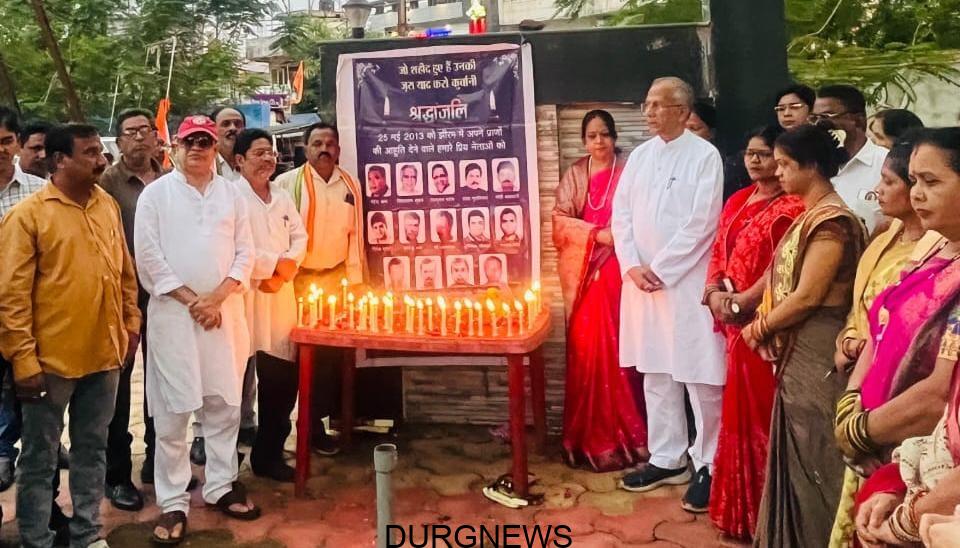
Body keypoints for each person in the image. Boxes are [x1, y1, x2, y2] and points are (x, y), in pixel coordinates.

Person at [0, 123, 141, 548]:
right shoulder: (28, 216)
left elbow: (124, 272)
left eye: (100, 151)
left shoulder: (105, 205)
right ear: (59, 160)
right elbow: (11, 296)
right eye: (90, 153)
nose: (101, 159)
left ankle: (88, 534)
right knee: (40, 457)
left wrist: (130, 324)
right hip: (49, 362)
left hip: (105, 353)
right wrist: (23, 361)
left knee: (92, 449)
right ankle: (37, 539)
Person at [134, 115, 259, 544]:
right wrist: (195, 301)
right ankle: (173, 501)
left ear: (215, 148)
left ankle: (221, 485)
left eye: (205, 142)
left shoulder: (232, 195)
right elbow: (149, 259)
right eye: (190, 142)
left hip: (224, 316)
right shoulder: (155, 196)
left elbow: (246, 252)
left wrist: (217, 298)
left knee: (224, 405)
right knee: (172, 414)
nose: (198, 149)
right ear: (175, 148)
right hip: (174, 318)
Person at [742, 124, 867, 547]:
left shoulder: (832, 221)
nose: (777, 172)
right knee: (799, 448)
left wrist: (759, 327)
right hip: (801, 346)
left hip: (818, 346)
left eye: (784, 164)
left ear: (811, 166)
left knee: (816, 451)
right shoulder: (811, 214)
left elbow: (809, 295)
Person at [613, 77, 725, 514]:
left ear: (682, 110)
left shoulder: (704, 156)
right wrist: (631, 265)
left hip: (686, 283)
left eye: (658, 105)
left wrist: (661, 269)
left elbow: (702, 223)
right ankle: (667, 457)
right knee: (656, 372)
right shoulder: (640, 157)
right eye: (647, 104)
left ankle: (710, 463)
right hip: (642, 285)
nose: (649, 112)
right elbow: (621, 215)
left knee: (700, 374)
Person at [830, 135, 949, 546]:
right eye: (914, 181)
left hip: (923, 456)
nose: (917, 194)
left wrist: (860, 431)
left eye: (931, 182)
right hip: (881, 441)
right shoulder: (933, 250)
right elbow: (879, 325)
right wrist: (851, 402)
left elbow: (940, 394)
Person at [704, 125, 806, 540]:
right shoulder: (738, 199)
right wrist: (713, 292)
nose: (755, 161)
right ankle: (738, 513)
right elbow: (718, 250)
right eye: (749, 153)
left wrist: (745, 302)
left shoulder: (794, 207)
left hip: (766, 326)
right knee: (736, 414)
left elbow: (783, 267)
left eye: (765, 154)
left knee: (762, 415)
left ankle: (767, 517)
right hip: (734, 322)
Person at [553, 109, 648, 472]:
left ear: (614, 136)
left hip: (623, 270)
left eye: (604, 134)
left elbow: (647, 215)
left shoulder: (630, 170)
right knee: (587, 347)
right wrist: (596, 235)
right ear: (583, 140)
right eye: (592, 136)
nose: (599, 142)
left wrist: (617, 239)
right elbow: (559, 222)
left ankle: (629, 439)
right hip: (586, 272)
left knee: (621, 348)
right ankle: (585, 439)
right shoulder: (576, 173)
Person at [275, 122, 363, 455]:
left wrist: (355, 282)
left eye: (330, 143)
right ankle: (280, 434)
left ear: (338, 149)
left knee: (326, 359)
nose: (324, 149)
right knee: (290, 358)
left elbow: (356, 237)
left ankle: (314, 428)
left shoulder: (350, 185)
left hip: (334, 281)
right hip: (294, 281)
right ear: (305, 147)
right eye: (317, 143)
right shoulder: (286, 184)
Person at [98, 108, 168, 512]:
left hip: (165, 294)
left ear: (157, 138)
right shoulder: (105, 185)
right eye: (131, 132)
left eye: (146, 130)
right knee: (119, 386)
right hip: (121, 296)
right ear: (119, 140)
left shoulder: (170, 179)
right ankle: (117, 474)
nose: (140, 138)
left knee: (162, 380)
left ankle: (158, 462)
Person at [234, 129, 307, 482]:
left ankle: (269, 454)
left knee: (281, 380)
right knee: (235, 382)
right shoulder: (229, 197)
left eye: (271, 153)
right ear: (239, 160)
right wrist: (273, 266)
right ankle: (226, 462)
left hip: (280, 296)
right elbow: (235, 246)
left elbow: (300, 237)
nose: (267, 159)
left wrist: (286, 269)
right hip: (243, 295)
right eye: (259, 153)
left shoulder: (281, 195)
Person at [812, 84, 888, 234]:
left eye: (826, 117)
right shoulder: (813, 167)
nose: (819, 125)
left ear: (858, 120)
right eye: (814, 118)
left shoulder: (885, 164)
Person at [211, 106, 245, 181]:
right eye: (226, 124)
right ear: (213, 130)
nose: (233, 128)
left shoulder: (251, 163)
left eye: (237, 124)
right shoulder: (206, 164)